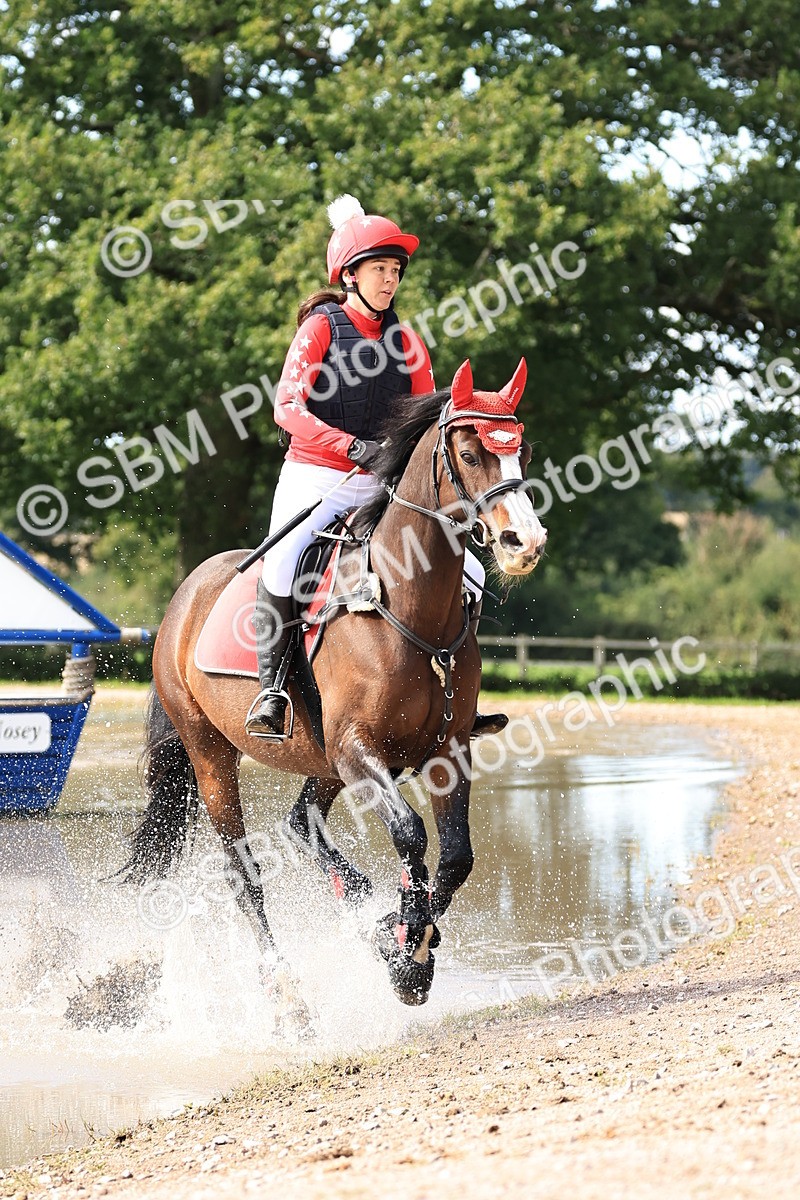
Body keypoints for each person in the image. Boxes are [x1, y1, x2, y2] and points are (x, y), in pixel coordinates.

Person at [246, 194, 505, 741]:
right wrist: (349, 446)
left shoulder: (407, 341)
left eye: (395, 270)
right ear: (350, 274)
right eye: (379, 269)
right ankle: (271, 691)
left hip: (381, 485)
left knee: (473, 573)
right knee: (282, 561)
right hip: (316, 475)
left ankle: (459, 696)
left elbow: (425, 424)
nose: (390, 280)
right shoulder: (320, 328)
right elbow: (286, 408)